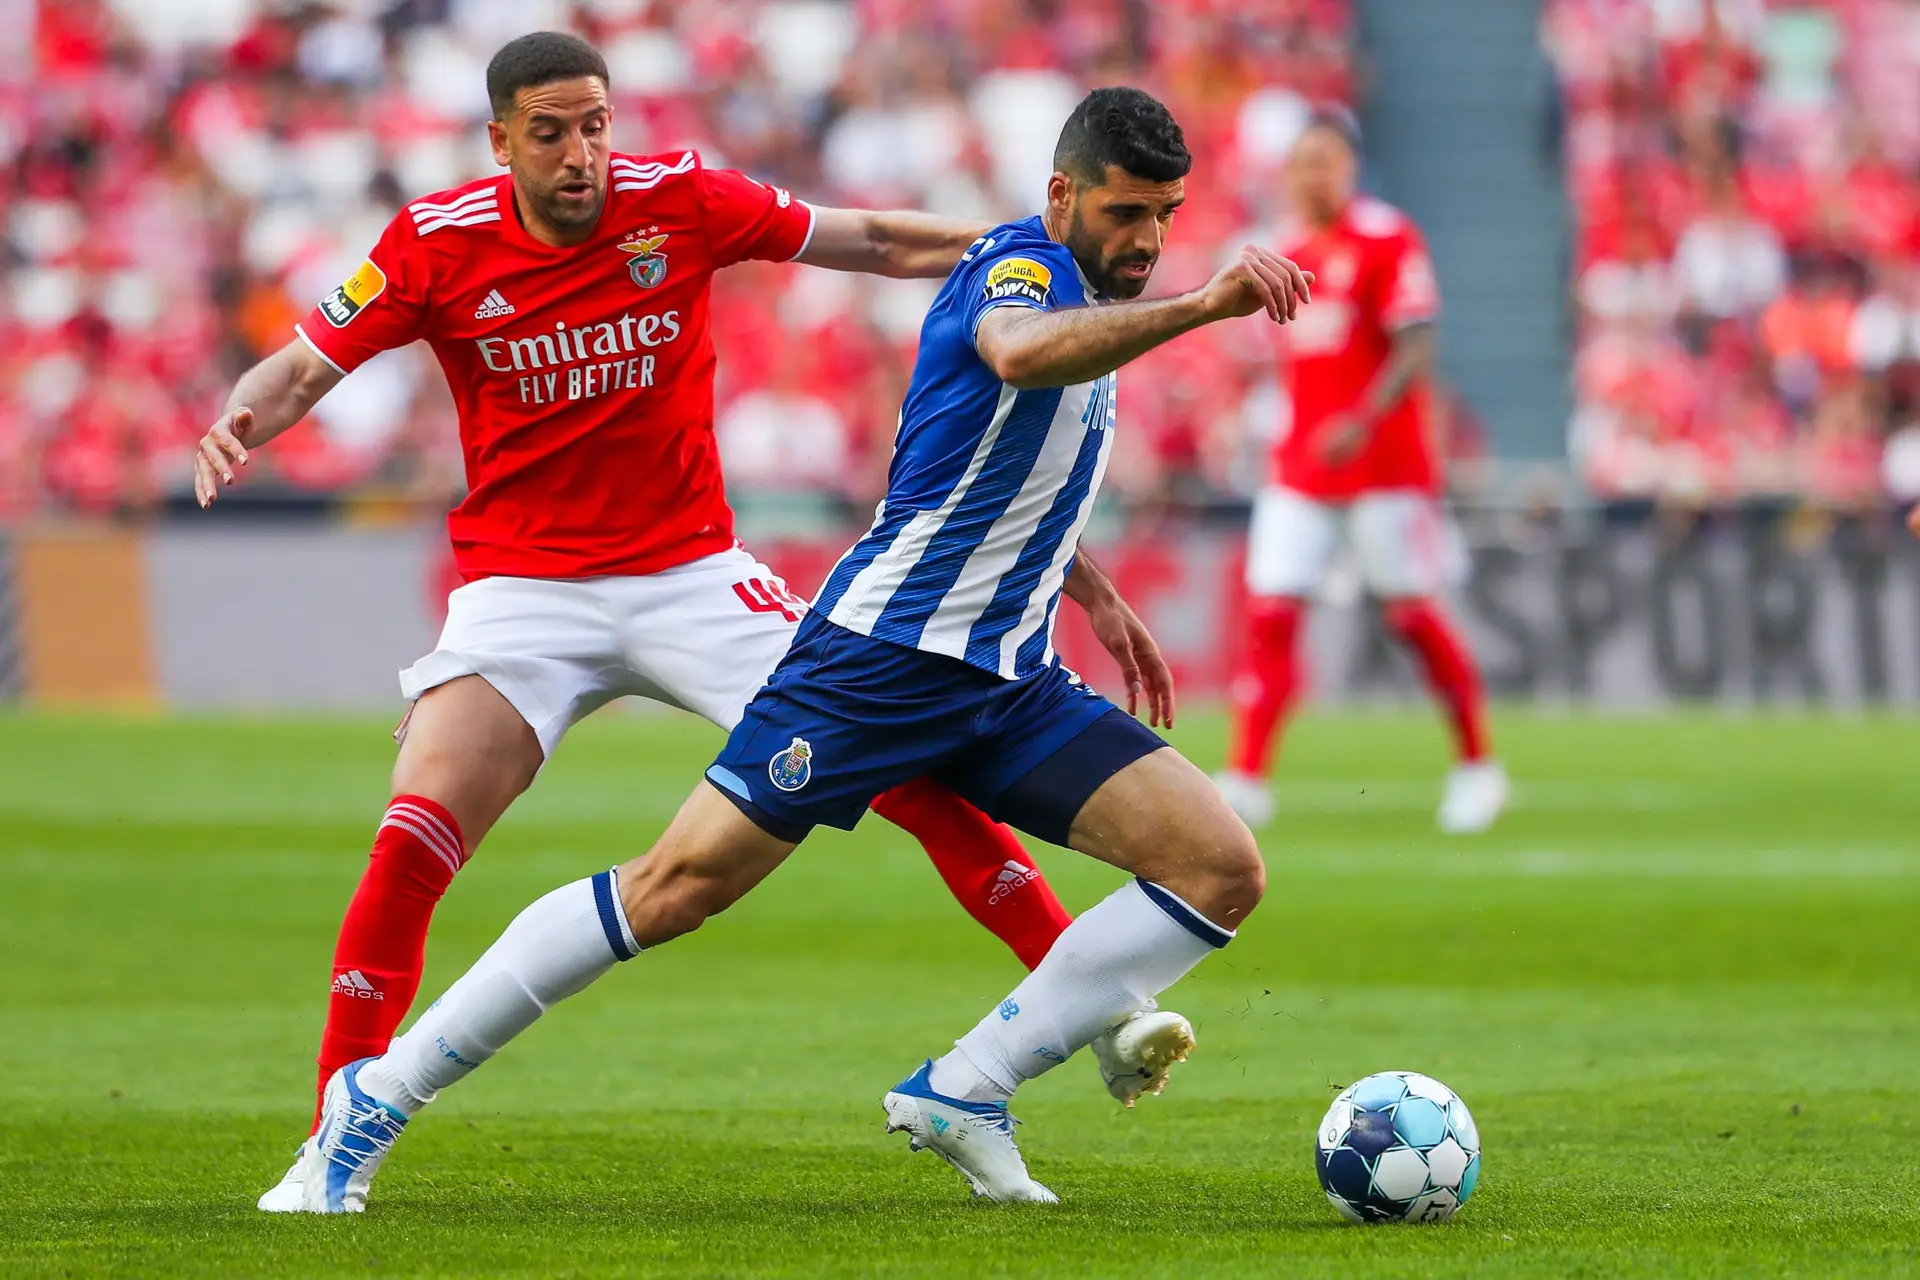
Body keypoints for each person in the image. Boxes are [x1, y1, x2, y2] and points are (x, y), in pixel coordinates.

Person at [193, 33, 1182, 1212]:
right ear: (500, 139)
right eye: (552, 131)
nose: (583, 154)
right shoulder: (435, 240)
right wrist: (239, 419)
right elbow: (302, 366)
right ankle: (331, 1132)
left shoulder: (680, 201)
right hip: (524, 591)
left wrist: (1013, 258)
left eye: (597, 124)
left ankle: (1104, 1015)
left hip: (692, 572)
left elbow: (862, 237)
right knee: (414, 837)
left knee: (917, 763)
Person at [1216, 108, 1508, 834]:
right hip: (1302, 467)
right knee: (1272, 613)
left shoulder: (1385, 236)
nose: (1315, 175)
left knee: (1412, 616)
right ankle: (1248, 778)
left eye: (1328, 160)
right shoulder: (1279, 250)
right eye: (1303, 162)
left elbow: (1417, 344)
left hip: (1385, 465)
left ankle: (1478, 765)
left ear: (1350, 165)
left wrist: (1362, 418)